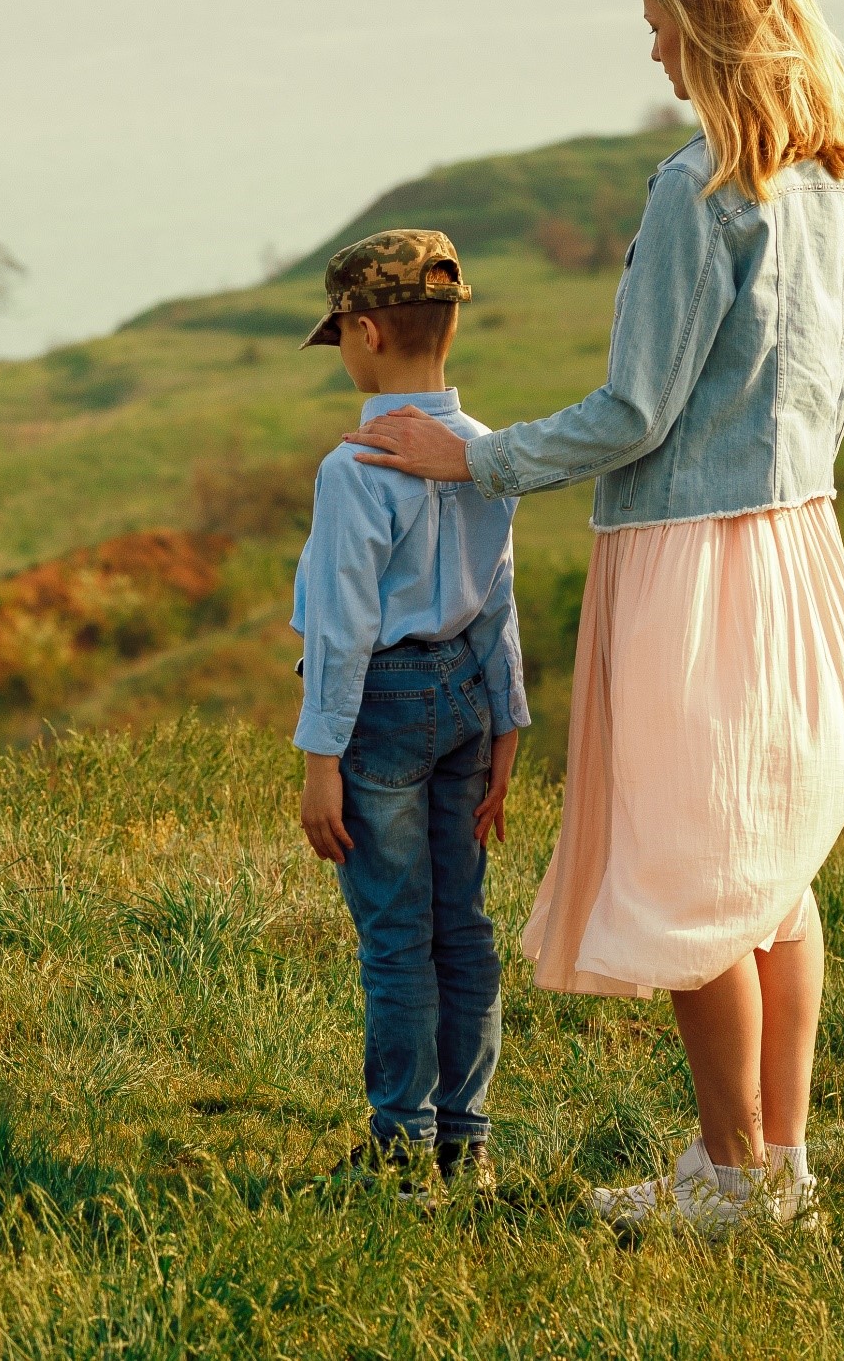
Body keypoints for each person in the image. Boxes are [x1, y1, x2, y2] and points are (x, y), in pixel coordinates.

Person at [345, 0, 844, 1230]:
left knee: (699, 873)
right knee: (767, 879)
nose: (648, 45)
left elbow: (634, 411)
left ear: (707, 23)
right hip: (801, 544)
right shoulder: (833, 184)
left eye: (658, 18)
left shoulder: (700, 193)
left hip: (693, 565)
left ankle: (735, 1175)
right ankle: (774, 1168)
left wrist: (470, 457)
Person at [291, 229, 528, 1197]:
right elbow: (500, 593)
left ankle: (397, 1146)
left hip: (382, 709)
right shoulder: (483, 452)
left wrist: (318, 757)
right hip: (470, 693)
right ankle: (461, 1138)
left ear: (367, 330)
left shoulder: (353, 469)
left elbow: (345, 626)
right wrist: (508, 721)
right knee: (459, 924)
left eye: (339, 331)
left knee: (394, 931)